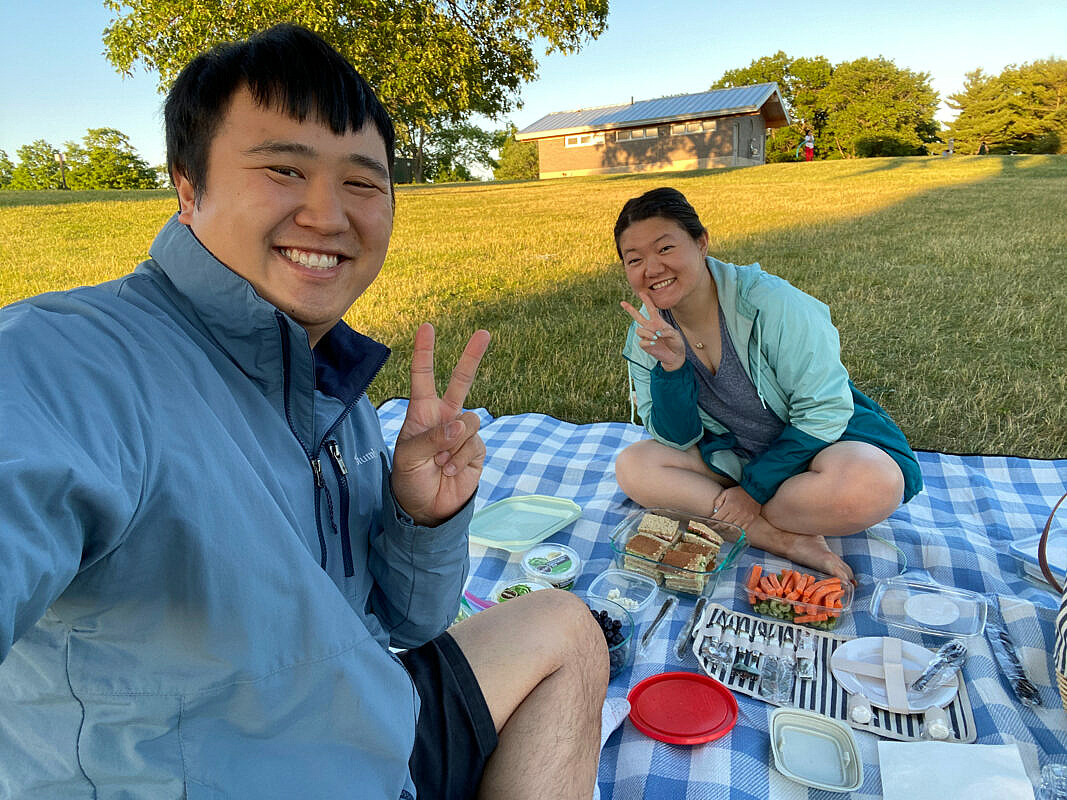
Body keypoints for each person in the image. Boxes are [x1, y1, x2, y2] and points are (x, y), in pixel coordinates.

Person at [0, 24, 608, 799]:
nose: (328, 216)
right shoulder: (65, 360)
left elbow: (407, 624)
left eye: (361, 182)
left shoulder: (330, 385)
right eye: (284, 169)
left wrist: (422, 519)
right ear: (188, 187)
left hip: (366, 729)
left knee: (566, 625)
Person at [614, 187, 922, 582]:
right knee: (634, 466)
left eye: (665, 249)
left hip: (817, 454)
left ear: (701, 242)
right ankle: (782, 539)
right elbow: (674, 438)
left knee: (874, 484)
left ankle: (736, 517)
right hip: (731, 457)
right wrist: (672, 370)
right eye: (634, 259)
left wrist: (753, 492)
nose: (651, 268)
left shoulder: (773, 304)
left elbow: (824, 410)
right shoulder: (648, 334)